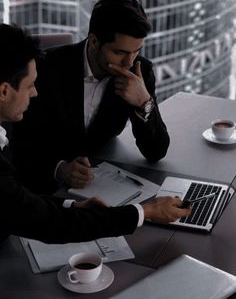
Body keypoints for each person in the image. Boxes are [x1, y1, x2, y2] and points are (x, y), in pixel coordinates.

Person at [0, 24, 190, 244]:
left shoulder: (137, 73)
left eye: (136, 51)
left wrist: (72, 206)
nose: (35, 92)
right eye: (30, 85)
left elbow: (18, 205)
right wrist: (143, 212)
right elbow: (45, 220)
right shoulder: (49, 67)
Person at [11, 0, 170, 194]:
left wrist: (144, 102)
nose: (129, 62)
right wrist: (59, 168)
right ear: (94, 41)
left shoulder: (140, 72)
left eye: (136, 51)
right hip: (42, 188)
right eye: (119, 52)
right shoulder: (45, 69)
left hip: (103, 184)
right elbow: (19, 142)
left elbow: (156, 152)